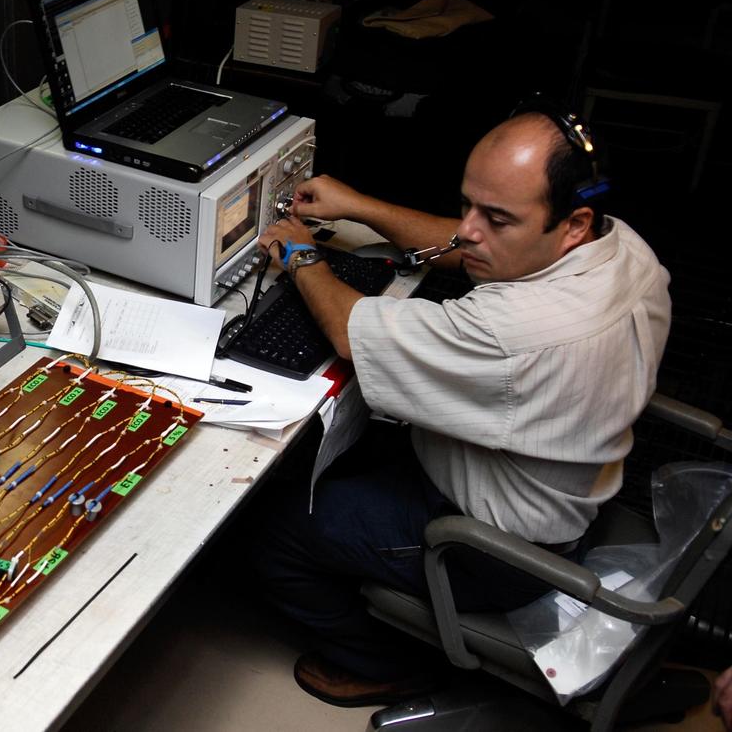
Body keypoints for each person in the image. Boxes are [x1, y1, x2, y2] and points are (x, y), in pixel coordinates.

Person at [253, 109, 672, 707]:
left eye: (496, 218)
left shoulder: (518, 332)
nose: (470, 230)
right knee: (341, 445)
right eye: (469, 205)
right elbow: (464, 245)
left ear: (573, 223)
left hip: (497, 549)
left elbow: (351, 333)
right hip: (563, 484)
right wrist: (360, 205)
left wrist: (301, 256)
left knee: (276, 528)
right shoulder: (621, 245)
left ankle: (383, 665)